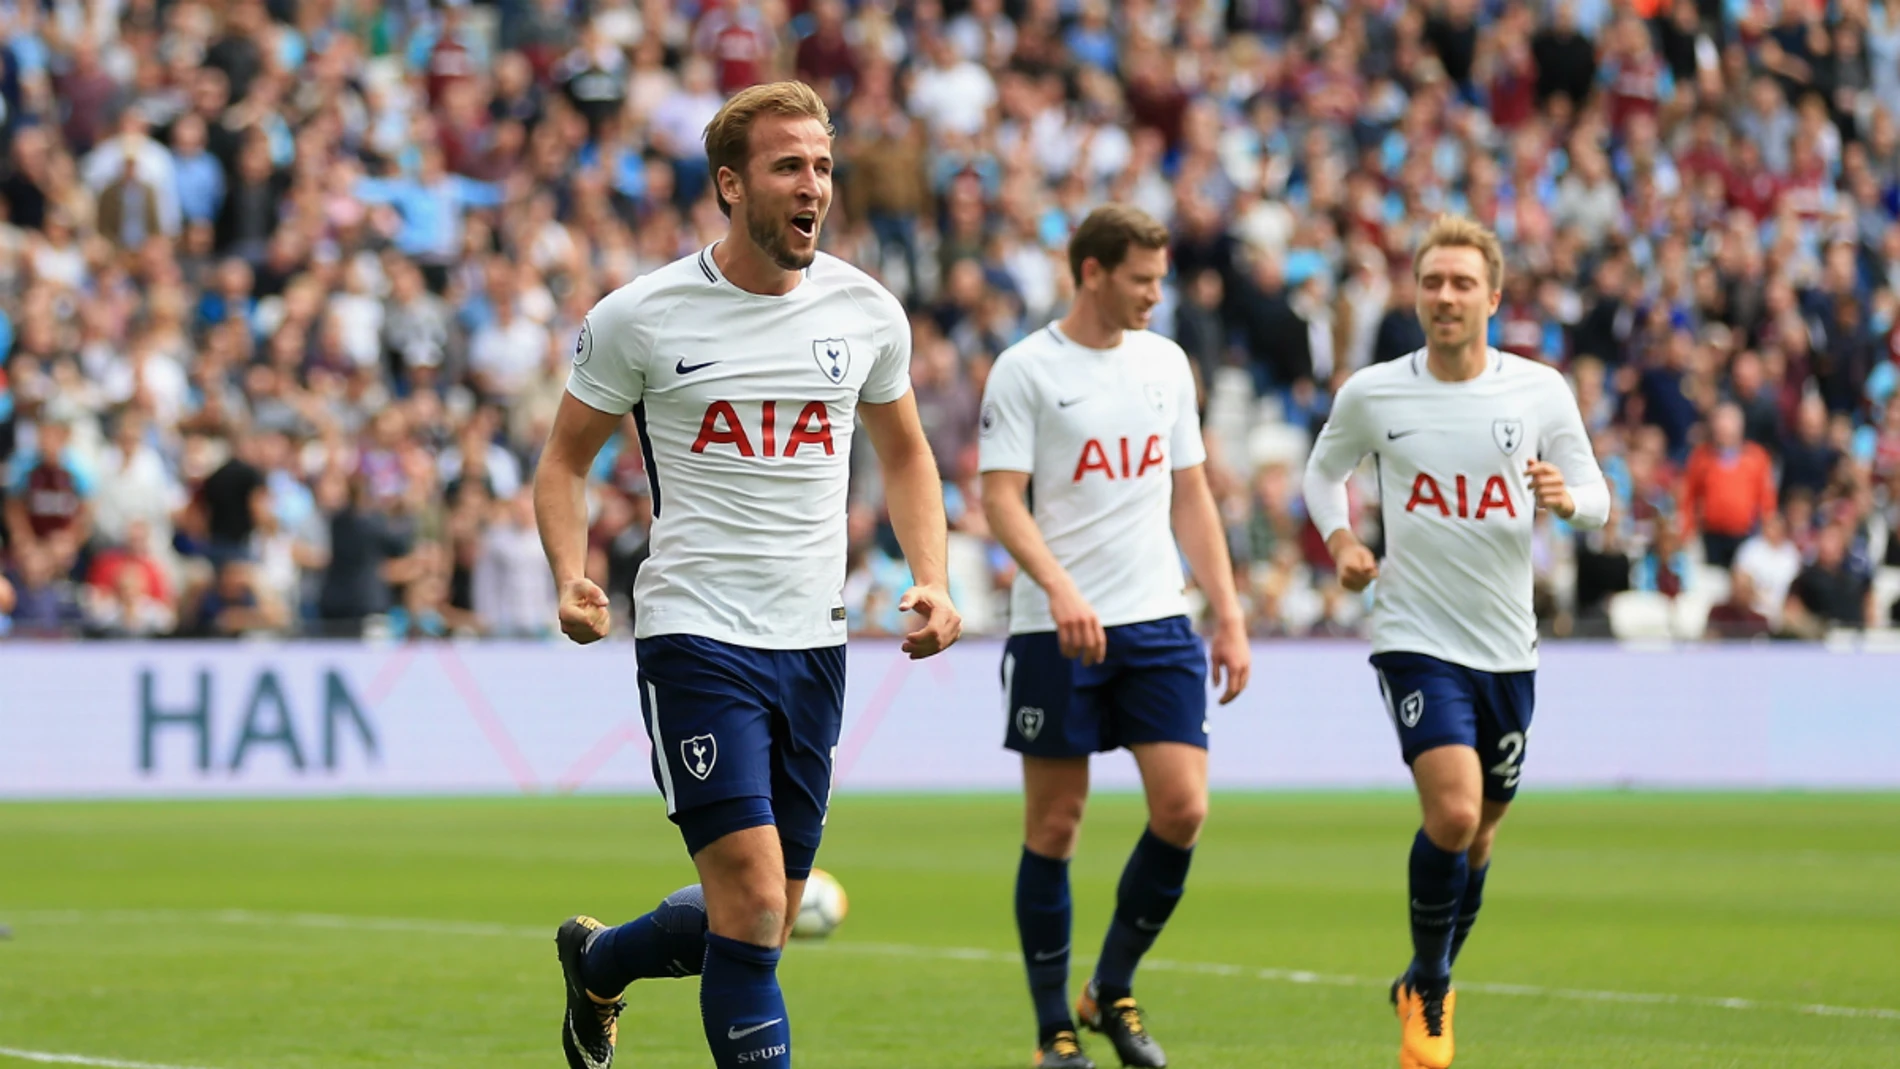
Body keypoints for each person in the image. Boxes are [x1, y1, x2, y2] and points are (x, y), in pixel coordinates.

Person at [532, 81, 962, 1069]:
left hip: (812, 643)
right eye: (786, 166)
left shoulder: (865, 312)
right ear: (730, 184)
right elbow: (562, 460)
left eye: (820, 165)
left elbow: (904, 454)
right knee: (759, 898)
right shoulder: (641, 316)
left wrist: (930, 574)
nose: (812, 185)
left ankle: (599, 963)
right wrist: (571, 573)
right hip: (696, 636)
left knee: (758, 916)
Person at [1301, 215, 1610, 1069]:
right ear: (1416, 290)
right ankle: (1434, 983)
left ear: (1494, 297)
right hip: (1414, 633)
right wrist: (1342, 543)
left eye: (1462, 283)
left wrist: (1566, 498)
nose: (1445, 296)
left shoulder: (1539, 391)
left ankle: (1419, 976)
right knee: (1456, 811)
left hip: (1508, 646)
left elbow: (1598, 493)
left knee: (1480, 836)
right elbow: (1323, 472)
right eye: (1433, 281)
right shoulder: (1373, 393)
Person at [979, 204, 1251, 1069]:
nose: (1154, 295)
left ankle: (1112, 985)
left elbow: (1190, 495)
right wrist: (1058, 589)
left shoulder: (1166, 362)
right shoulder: (1026, 370)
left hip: (1157, 616)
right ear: (1092, 272)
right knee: (1056, 822)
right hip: (1055, 628)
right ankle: (1051, 1026)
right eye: (1141, 279)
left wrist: (1229, 612)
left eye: (1159, 279)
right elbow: (999, 498)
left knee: (1184, 806)